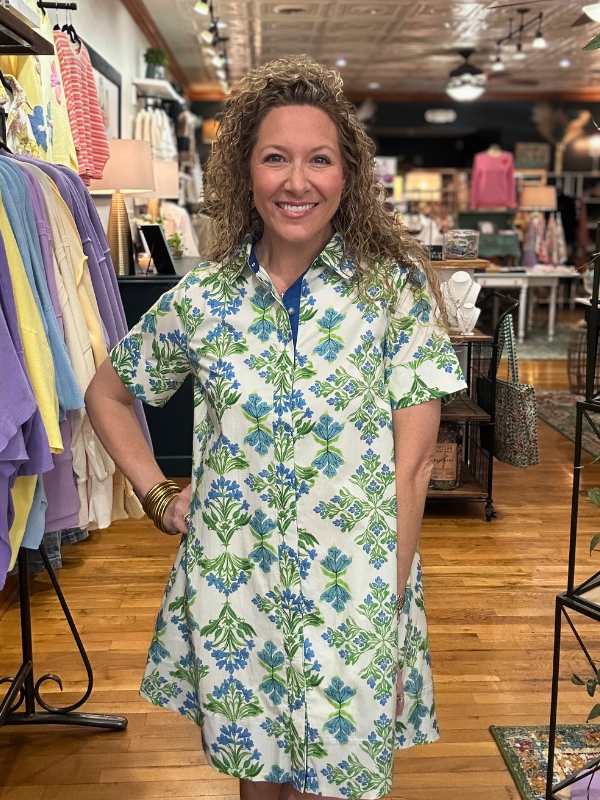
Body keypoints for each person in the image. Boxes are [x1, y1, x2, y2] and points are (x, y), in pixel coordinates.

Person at [86, 56, 466, 800]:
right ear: (245, 171)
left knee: (335, 779)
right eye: (275, 158)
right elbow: (108, 394)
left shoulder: (390, 294)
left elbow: (415, 465)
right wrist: (158, 494)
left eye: (319, 159)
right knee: (255, 776)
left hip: (355, 588)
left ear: (347, 175)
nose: (297, 182)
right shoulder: (204, 299)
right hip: (238, 585)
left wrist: (386, 609)